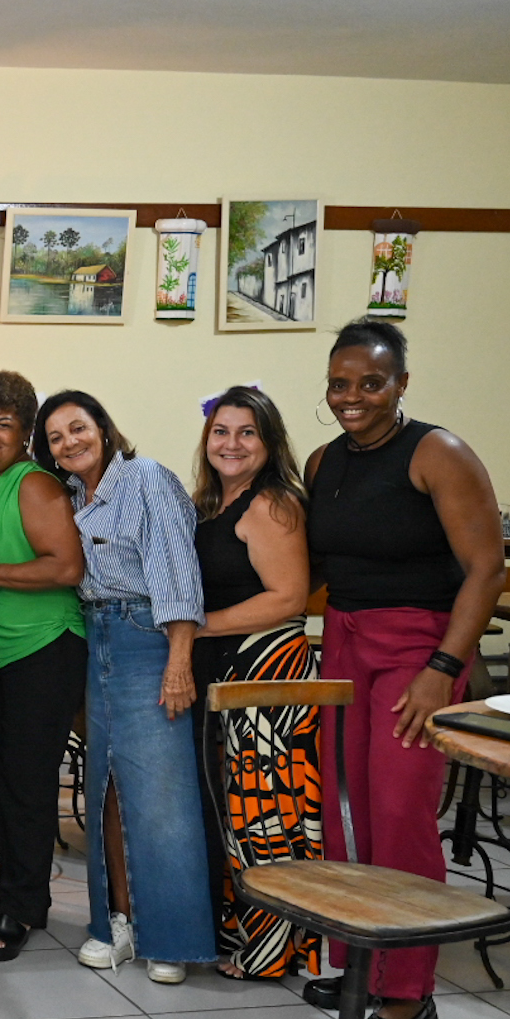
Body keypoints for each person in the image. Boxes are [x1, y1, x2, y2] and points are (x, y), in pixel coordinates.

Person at [303, 320, 504, 1019]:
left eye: (371, 382)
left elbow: (487, 568)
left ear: (401, 384)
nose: (352, 396)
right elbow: (316, 567)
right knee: (346, 812)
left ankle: (408, 996)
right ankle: (363, 965)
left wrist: (444, 669)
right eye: (340, 383)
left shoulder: (437, 453)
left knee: (399, 815)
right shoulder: (323, 461)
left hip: (418, 648)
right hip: (343, 641)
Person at [36, 391, 214, 985]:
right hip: (96, 637)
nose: (69, 442)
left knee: (161, 793)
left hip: (148, 635)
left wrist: (179, 661)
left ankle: (173, 939)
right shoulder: (69, 497)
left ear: (103, 428)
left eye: (78, 428)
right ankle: (116, 921)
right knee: (106, 787)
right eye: (56, 437)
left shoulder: (146, 479)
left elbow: (178, 573)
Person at [0, 372, 87, 962]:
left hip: (44, 649)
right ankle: (11, 890)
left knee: (26, 784)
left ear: (26, 432)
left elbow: (67, 567)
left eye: (3, 424)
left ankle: (25, 907)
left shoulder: (35, 485)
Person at [190, 385, 321, 981]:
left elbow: (289, 598)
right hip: (232, 675)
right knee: (237, 814)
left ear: (269, 443)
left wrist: (198, 625)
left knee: (267, 816)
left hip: (267, 675)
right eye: (221, 431)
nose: (232, 444)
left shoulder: (272, 504)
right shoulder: (215, 503)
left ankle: (274, 951)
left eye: (248, 433)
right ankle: (244, 930)